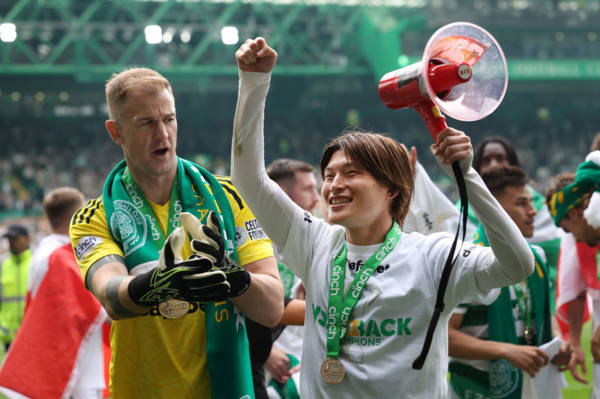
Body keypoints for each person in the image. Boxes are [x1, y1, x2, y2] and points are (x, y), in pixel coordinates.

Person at [231, 37, 534, 398]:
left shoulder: (432, 257)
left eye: (351, 173)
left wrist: (466, 174)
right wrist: (253, 83)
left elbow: (517, 266)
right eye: (329, 175)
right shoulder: (314, 243)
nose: (334, 186)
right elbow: (249, 181)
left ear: (391, 188)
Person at [69, 67, 283, 398]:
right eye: (146, 123)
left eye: (169, 119)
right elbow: (112, 296)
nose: (163, 134)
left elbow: (272, 307)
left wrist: (232, 274)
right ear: (116, 132)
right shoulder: (93, 217)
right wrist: (156, 284)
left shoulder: (228, 198)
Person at [448, 166, 571, 399]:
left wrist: (558, 342)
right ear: (493, 210)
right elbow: (445, 335)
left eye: (531, 202)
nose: (533, 211)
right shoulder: (469, 260)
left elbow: (543, 314)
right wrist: (507, 351)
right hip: (476, 390)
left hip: (529, 386)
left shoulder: (537, 257)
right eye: (522, 203)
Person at [0, 187, 109, 399]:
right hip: (76, 366)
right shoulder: (60, 258)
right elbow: (91, 309)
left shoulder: (44, 253)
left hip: (64, 360)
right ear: (77, 215)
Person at [470, 137, 563, 312]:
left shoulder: (538, 207)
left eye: (500, 158)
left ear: (513, 164)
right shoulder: (461, 211)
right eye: (486, 160)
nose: (494, 165)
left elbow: (554, 252)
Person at [546, 152, 600, 397]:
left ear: (576, 212)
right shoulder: (580, 237)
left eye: (566, 228)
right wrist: (576, 342)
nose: (572, 237)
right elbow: (575, 289)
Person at [263, 158, 315, 399]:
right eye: (308, 189)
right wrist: (265, 351)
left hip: (301, 361)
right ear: (283, 193)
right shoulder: (253, 237)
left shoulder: (314, 238)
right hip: (265, 362)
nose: (317, 198)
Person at [0, 224, 32, 353]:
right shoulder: (3, 265)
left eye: (15, 239)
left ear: (27, 239)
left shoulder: (36, 263)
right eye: (9, 239)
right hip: (8, 336)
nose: (11, 243)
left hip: (31, 334)